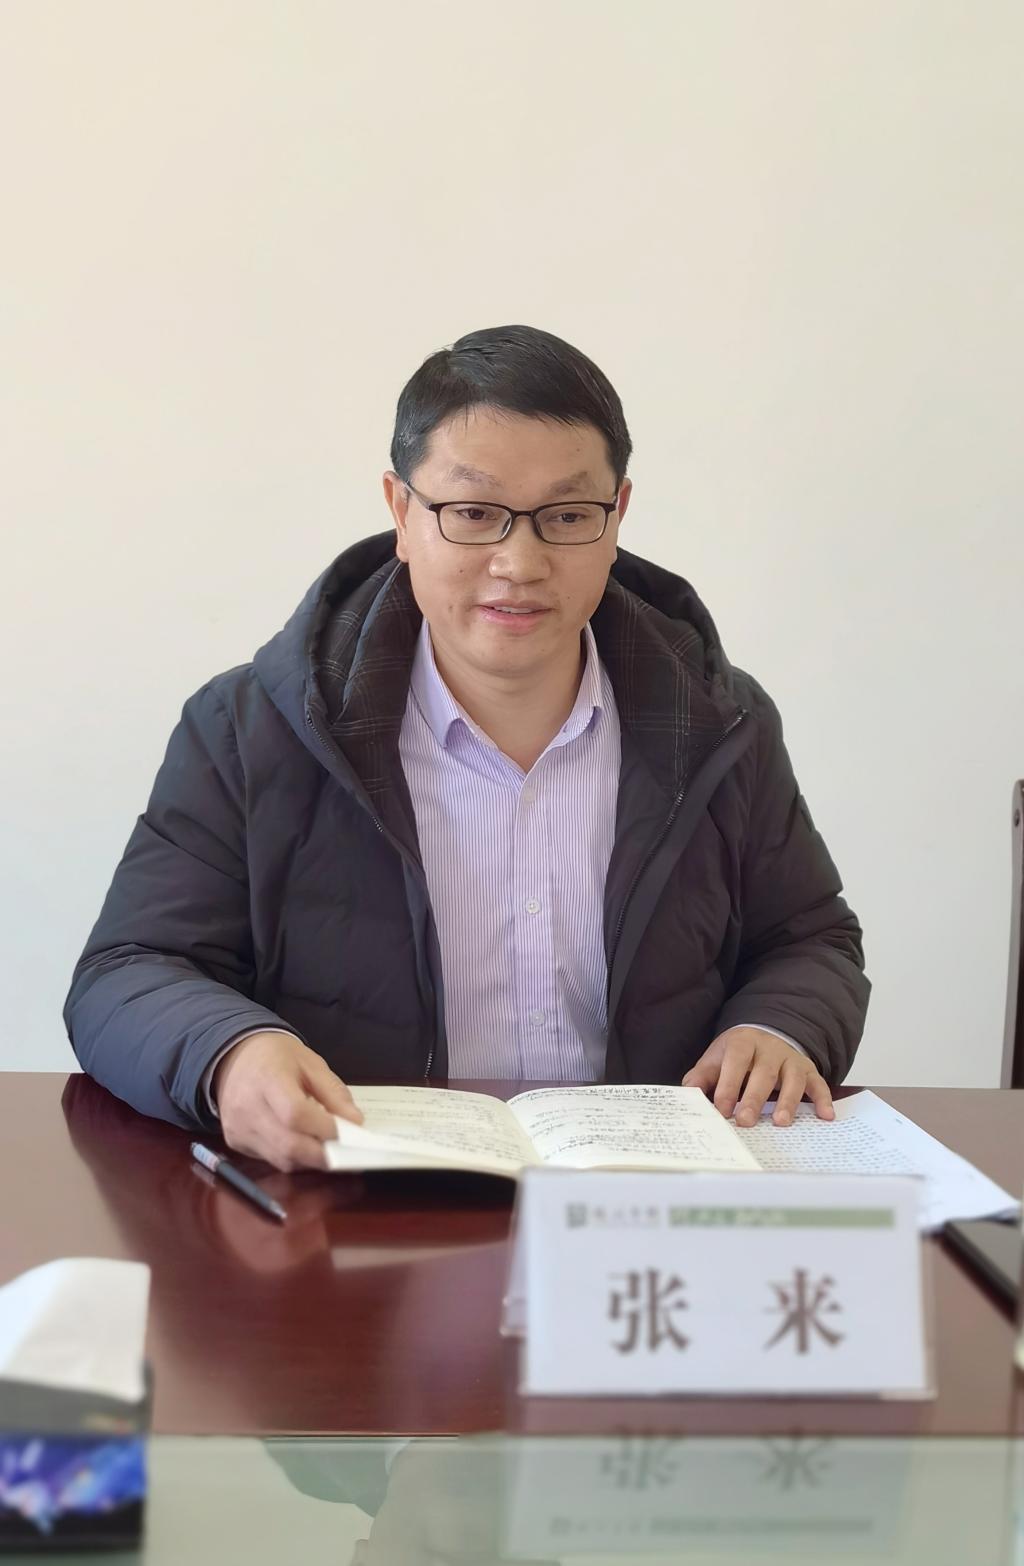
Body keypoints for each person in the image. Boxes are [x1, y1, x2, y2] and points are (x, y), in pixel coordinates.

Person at [64, 325, 870, 1171]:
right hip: (357, 1198)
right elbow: (129, 968)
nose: (519, 563)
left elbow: (809, 939)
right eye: (474, 514)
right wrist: (228, 1052)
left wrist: (777, 1026)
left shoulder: (719, 721)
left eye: (567, 516)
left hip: (639, 1195)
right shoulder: (249, 727)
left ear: (617, 516)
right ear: (401, 512)